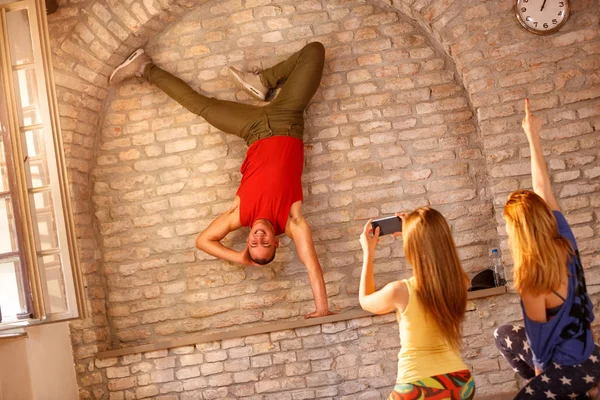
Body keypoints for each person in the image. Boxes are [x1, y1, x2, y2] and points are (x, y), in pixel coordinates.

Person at [109, 42, 333, 318]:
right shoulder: (292, 220)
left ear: (248, 239)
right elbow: (311, 263)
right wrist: (322, 308)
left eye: (253, 244)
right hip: (288, 118)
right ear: (277, 243)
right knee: (315, 51)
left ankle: (144, 66)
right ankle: (262, 80)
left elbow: (204, 241)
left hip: (251, 128)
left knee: (200, 105)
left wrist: (238, 257)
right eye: (265, 244)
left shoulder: (239, 214)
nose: (259, 238)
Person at [494, 99, 599, 399]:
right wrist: (533, 137)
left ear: (518, 231)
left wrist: (542, 387)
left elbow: (539, 348)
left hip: (567, 367)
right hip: (590, 354)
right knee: (504, 334)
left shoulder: (530, 275)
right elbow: (543, 190)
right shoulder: (564, 241)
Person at [359, 208, 475, 399]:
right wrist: (415, 234)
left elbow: (365, 300)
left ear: (412, 245)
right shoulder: (461, 282)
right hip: (460, 383)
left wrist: (368, 253)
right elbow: (437, 254)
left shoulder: (400, 291)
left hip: (416, 387)